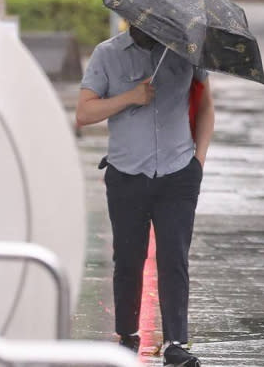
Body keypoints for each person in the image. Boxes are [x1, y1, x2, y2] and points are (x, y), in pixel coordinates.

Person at [76, 25, 214, 367]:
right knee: (127, 259)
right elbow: (84, 114)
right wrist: (130, 97)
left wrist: (198, 163)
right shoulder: (107, 54)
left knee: (174, 259)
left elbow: (207, 108)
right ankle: (127, 335)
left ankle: (176, 343)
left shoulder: (187, 52)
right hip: (126, 175)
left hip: (178, 172)